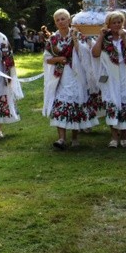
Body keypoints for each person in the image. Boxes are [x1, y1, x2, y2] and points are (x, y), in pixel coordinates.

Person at [43, 9, 98, 149]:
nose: (61, 22)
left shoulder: (78, 35)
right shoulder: (53, 39)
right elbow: (47, 59)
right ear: (55, 22)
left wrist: (75, 41)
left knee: (76, 101)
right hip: (61, 76)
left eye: (63, 19)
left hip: (77, 73)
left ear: (69, 20)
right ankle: (61, 139)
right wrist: (58, 59)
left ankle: (74, 138)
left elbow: (88, 53)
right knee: (61, 102)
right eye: (58, 20)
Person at [91, 11, 126, 148]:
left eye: (119, 22)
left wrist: (124, 38)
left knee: (125, 101)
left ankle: (124, 135)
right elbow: (95, 53)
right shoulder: (105, 38)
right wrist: (101, 36)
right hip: (110, 76)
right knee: (112, 102)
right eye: (113, 22)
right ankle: (114, 137)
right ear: (108, 24)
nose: (116, 25)